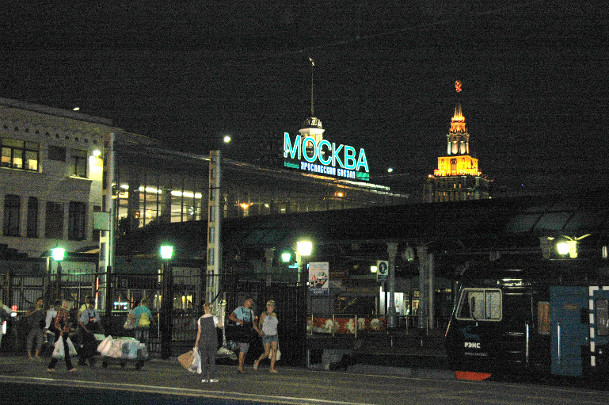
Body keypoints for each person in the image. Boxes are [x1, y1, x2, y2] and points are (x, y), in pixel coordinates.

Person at [228, 298, 260, 373]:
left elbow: (253, 324)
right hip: (241, 330)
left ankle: (241, 365)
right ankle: (240, 367)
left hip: (247, 330)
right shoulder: (239, 309)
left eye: (252, 301)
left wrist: (258, 331)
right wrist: (239, 321)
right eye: (250, 301)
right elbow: (231, 317)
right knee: (243, 348)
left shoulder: (251, 312)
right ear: (246, 301)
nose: (251, 302)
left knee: (245, 349)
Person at [194, 302, 223, 383]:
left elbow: (199, 332)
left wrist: (196, 342)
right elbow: (221, 326)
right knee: (212, 359)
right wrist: (220, 319)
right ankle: (212, 377)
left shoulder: (200, 319)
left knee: (204, 359)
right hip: (212, 341)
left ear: (204, 309)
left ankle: (203, 377)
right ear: (211, 309)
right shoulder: (214, 318)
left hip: (203, 341)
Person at [47, 300, 76, 372]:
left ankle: (51, 366)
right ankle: (69, 367)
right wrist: (61, 330)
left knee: (59, 349)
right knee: (64, 349)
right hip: (60, 334)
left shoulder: (67, 313)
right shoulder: (61, 312)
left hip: (64, 333)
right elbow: (56, 323)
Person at [253, 300, 279, 373]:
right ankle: (257, 361)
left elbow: (275, 326)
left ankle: (271, 368)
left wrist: (277, 335)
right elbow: (260, 323)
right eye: (270, 305)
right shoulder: (264, 314)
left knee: (274, 352)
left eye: (273, 305)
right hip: (266, 334)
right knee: (267, 353)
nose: (272, 306)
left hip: (274, 335)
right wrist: (260, 331)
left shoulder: (274, 315)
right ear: (267, 306)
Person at [77, 298, 100, 366]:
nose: (92, 305)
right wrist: (86, 330)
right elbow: (81, 322)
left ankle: (82, 361)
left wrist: (99, 328)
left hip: (92, 331)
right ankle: (91, 360)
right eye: (91, 304)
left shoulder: (95, 311)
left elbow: (97, 320)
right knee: (88, 346)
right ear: (89, 304)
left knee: (90, 346)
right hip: (85, 331)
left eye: (93, 304)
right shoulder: (85, 312)